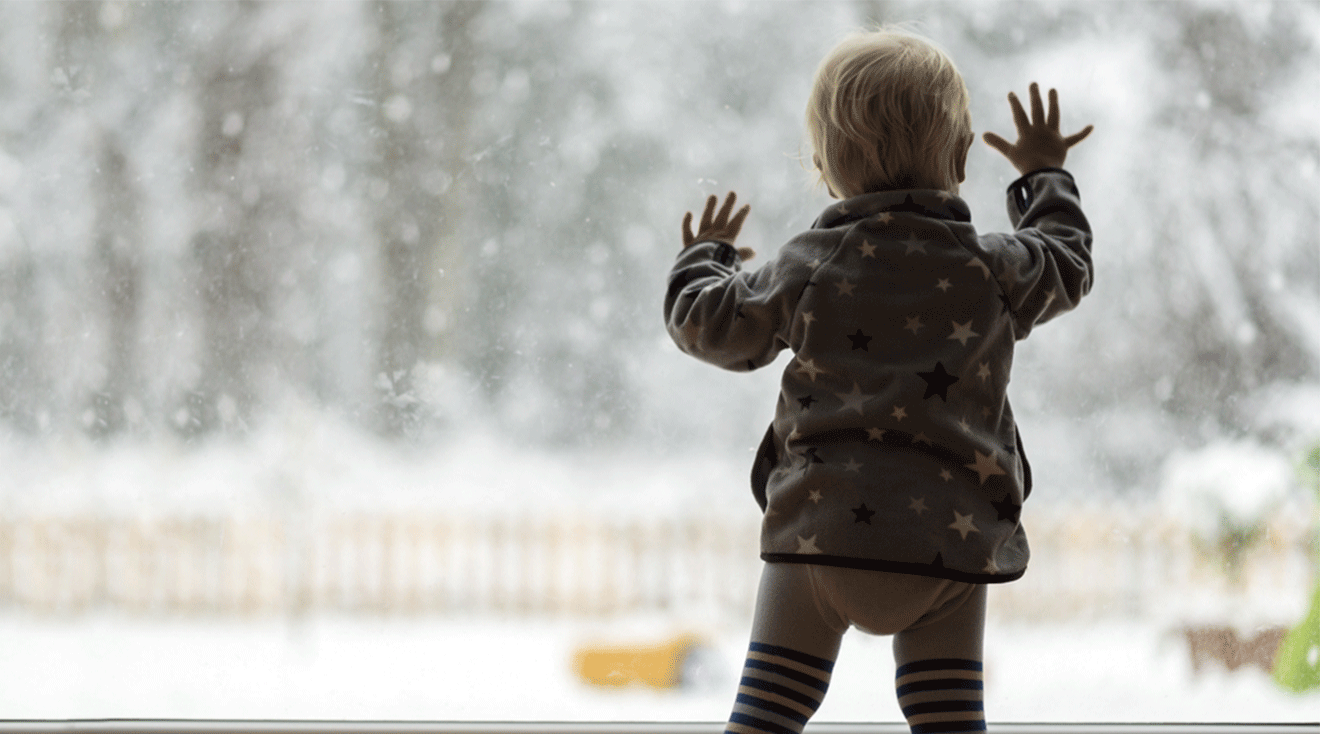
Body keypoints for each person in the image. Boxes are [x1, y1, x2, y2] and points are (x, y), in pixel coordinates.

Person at [663, 27, 1094, 734]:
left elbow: (708, 323)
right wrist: (1043, 174)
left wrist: (703, 258)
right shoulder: (989, 267)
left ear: (824, 168)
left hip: (818, 540)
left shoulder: (807, 265)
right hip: (949, 552)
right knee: (950, 720)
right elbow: (1067, 260)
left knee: (764, 716)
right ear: (960, 157)